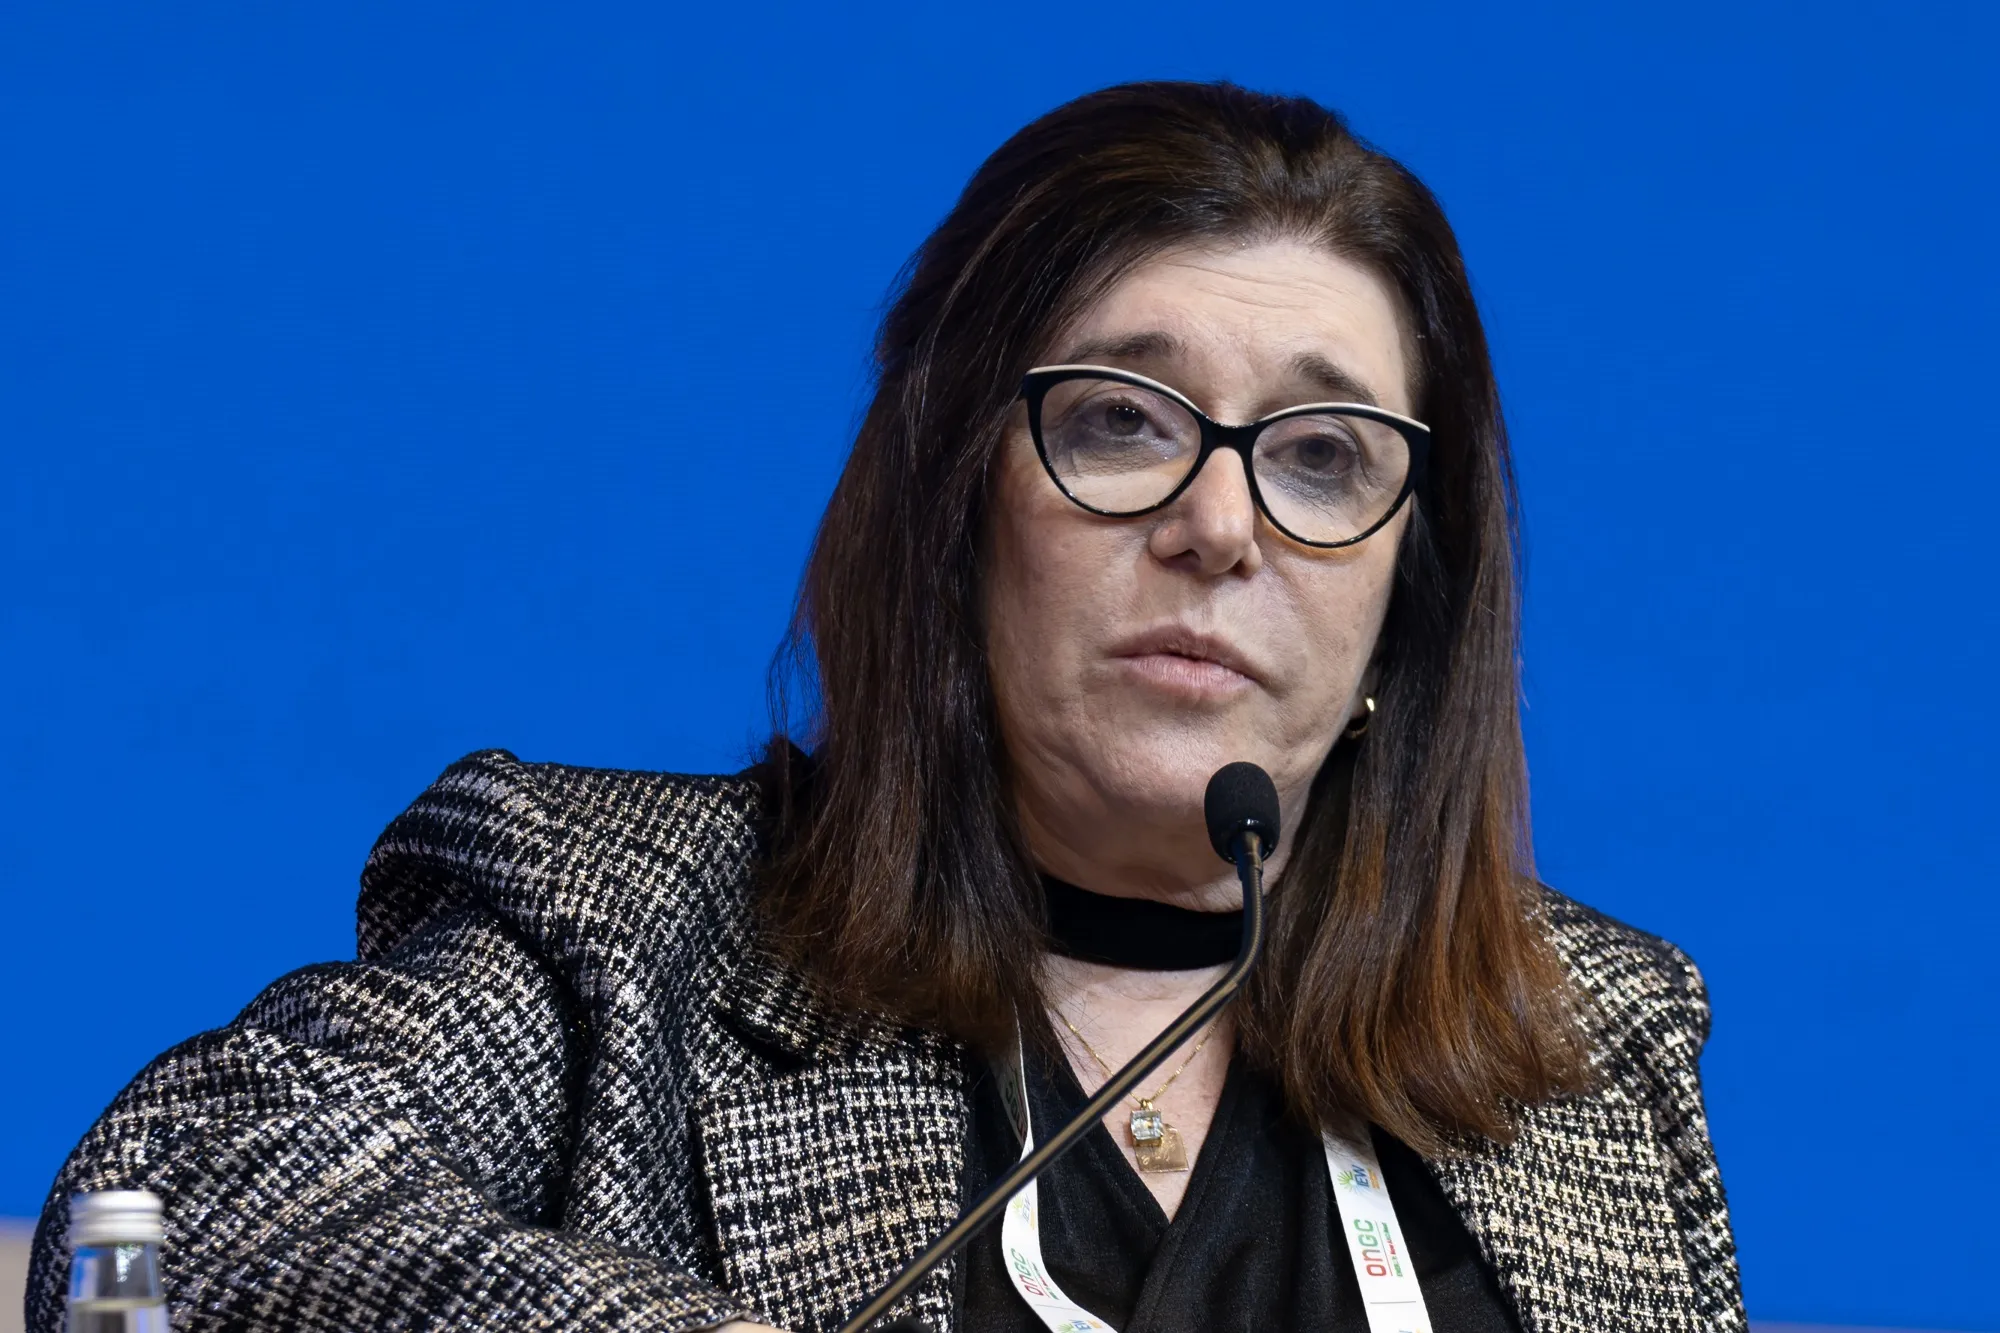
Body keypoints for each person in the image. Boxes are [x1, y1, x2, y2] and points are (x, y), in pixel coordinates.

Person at [27, 81, 1744, 1333]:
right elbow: (162, 1209)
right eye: (1124, 420)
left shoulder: (1594, 1040)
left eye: (1321, 457)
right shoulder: (616, 924)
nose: (1220, 525)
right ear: (951, 508)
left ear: (1406, 602)